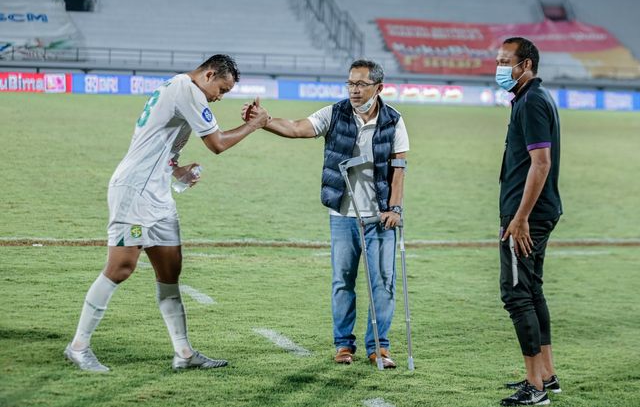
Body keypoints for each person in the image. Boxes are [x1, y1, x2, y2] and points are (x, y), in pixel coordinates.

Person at [64, 54, 269, 372]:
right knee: (121, 267)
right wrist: (255, 125)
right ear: (209, 75)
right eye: (221, 90)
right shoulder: (187, 90)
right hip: (133, 193)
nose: (218, 97)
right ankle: (78, 347)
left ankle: (184, 354)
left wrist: (178, 171)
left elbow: (158, 145)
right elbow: (216, 144)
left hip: (158, 197)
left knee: (170, 274)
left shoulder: (176, 87)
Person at [243, 59, 408, 368]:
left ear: (378, 87)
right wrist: (264, 121)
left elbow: (399, 167)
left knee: (382, 284)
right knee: (342, 282)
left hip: (380, 218)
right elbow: (296, 128)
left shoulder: (394, 120)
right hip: (344, 216)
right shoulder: (334, 113)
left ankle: (379, 347)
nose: (354, 90)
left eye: (361, 84)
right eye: (350, 84)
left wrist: (395, 209)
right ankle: (344, 345)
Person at [495, 38, 563, 406]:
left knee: (516, 294)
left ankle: (535, 388)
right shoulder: (528, 98)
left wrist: (519, 219)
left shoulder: (532, 102)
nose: (500, 67)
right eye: (498, 60)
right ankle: (546, 376)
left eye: (506, 61)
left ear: (527, 65)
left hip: (528, 216)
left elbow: (541, 163)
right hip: (535, 211)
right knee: (532, 291)